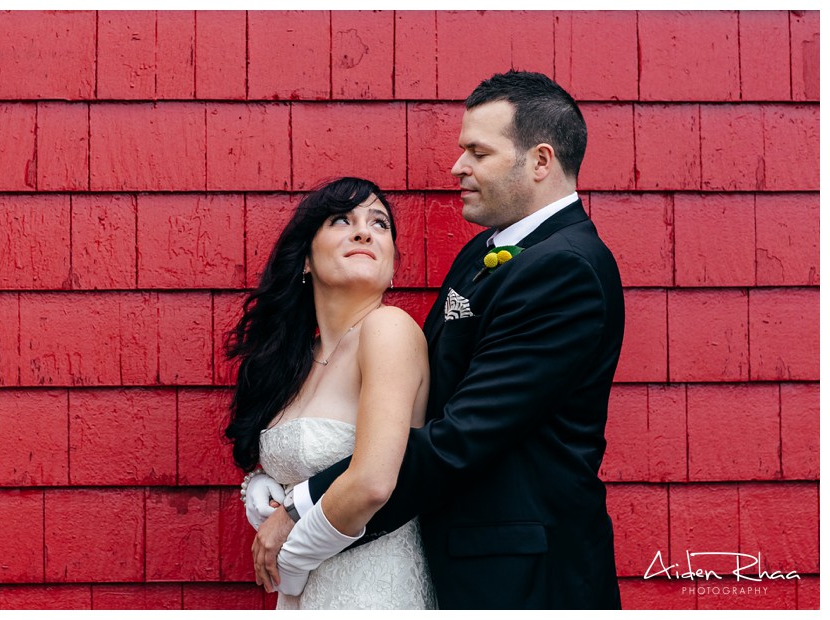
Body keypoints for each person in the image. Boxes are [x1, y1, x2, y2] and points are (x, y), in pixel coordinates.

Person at [246, 70, 626, 609]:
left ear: (541, 161)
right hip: (447, 560)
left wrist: (304, 507)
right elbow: (416, 407)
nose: (458, 167)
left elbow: (462, 435)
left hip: (524, 575)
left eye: (478, 151)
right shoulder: (482, 254)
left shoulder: (568, 269)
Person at [225, 177, 437, 609]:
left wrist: (291, 546)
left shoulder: (388, 329)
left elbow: (374, 481)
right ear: (305, 258)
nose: (363, 231)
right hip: (302, 598)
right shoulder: (296, 359)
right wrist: (263, 487)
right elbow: (309, 457)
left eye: (379, 224)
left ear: (393, 264)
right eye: (342, 220)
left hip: (373, 588)